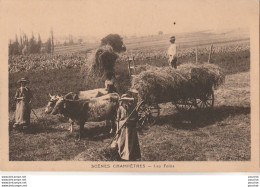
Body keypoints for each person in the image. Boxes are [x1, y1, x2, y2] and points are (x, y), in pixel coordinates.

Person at [111, 94, 141, 161]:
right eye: (124, 101)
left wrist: (129, 120)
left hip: (131, 128)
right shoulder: (120, 108)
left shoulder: (133, 108)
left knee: (131, 143)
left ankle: (130, 155)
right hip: (123, 128)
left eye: (127, 101)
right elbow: (118, 120)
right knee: (122, 142)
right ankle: (123, 154)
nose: (126, 102)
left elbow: (136, 118)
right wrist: (117, 129)